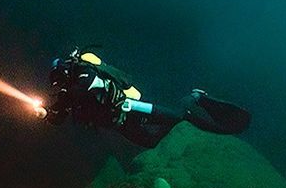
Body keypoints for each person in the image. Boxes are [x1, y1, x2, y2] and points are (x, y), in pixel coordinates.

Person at [36, 49, 251, 147]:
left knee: (178, 117)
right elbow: (60, 117)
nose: (60, 85)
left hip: (131, 107)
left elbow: (88, 86)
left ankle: (195, 100)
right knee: (149, 142)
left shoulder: (82, 72)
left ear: (64, 70)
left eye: (59, 79)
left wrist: (62, 100)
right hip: (119, 122)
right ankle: (190, 110)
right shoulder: (69, 92)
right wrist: (47, 114)